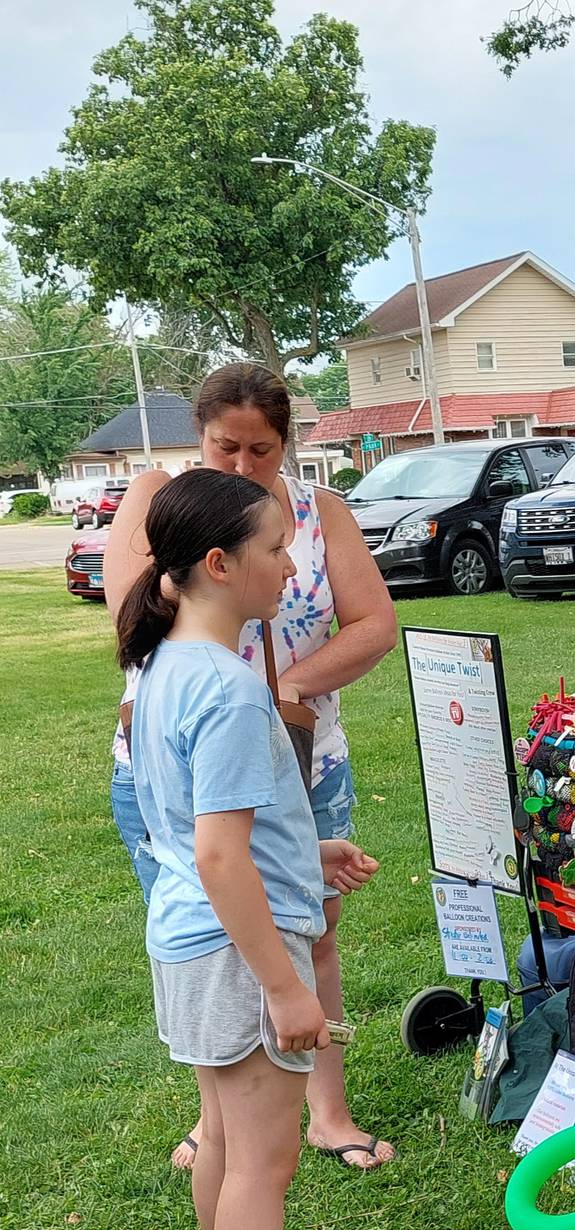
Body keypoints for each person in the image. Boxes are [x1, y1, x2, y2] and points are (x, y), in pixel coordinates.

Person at [118, 469, 393, 1230]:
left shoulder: (163, 668)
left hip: (191, 939)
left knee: (228, 1143)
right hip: (234, 955)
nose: (291, 563)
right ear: (220, 564)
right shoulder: (231, 690)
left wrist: (304, 850)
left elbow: (214, 827)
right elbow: (219, 851)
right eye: (276, 549)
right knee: (260, 1163)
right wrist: (286, 984)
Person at [104, 364, 399, 1170]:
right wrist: (230, 685)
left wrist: (290, 686)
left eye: (259, 450)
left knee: (311, 931)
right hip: (183, 760)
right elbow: (130, 612)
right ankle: (223, 1117)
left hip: (298, 752)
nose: (239, 465)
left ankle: (326, 1111)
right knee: (212, 929)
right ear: (198, 436)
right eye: (222, 446)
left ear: (286, 445)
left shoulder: (318, 511)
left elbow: (375, 622)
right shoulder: (163, 499)